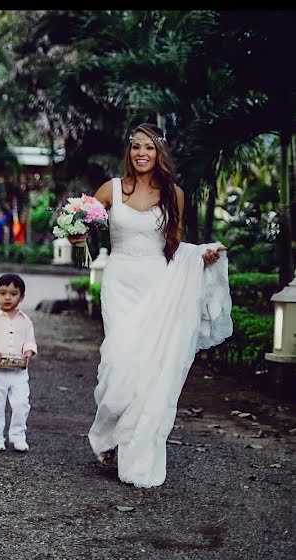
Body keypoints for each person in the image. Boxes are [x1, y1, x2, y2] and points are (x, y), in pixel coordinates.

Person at [73, 123, 232, 488]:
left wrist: (200, 256)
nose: (141, 153)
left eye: (148, 147)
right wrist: (77, 233)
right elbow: (78, 226)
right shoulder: (110, 189)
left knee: (149, 368)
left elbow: (175, 245)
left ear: (159, 153)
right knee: (118, 359)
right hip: (119, 281)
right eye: (135, 147)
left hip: (156, 283)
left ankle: (125, 443)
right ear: (129, 151)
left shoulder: (173, 194)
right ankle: (106, 432)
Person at [0, 274, 37, 452]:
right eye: (3, 293)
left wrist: (28, 351)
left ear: (22, 297)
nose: (7, 297)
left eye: (13, 294)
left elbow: (30, 340)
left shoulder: (25, 320)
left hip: (19, 372)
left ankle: (18, 436)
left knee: (21, 404)